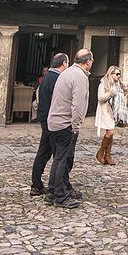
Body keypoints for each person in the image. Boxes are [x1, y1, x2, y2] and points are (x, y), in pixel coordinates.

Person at [44, 48, 93, 208]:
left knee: (58, 158)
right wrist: (76, 126)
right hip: (65, 123)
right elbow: (77, 105)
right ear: (88, 62)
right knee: (64, 160)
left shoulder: (67, 72)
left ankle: (53, 191)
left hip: (55, 121)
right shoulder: (79, 76)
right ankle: (61, 196)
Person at [30, 53, 69, 197]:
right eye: (67, 63)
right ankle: (59, 187)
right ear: (63, 63)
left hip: (44, 118)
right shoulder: (57, 78)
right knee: (59, 155)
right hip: (52, 120)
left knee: (44, 152)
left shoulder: (47, 77)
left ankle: (36, 184)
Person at [95, 65, 121, 165]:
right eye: (117, 74)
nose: (118, 76)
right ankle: (101, 152)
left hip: (113, 110)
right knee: (110, 132)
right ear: (111, 73)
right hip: (105, 109)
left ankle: (107, 155)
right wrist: (110, 93)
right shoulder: (103, 83)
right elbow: (100, 98)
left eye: (119, 74)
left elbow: (120, 96)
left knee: (111, 132)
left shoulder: (116, 84)